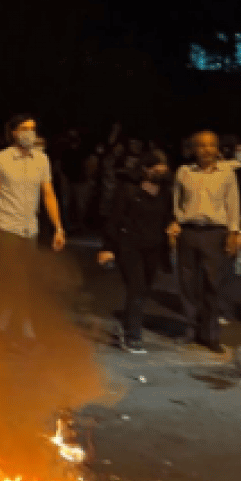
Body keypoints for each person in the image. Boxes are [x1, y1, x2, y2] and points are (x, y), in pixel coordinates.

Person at [0, 113, 66, 344]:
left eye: (33, 128)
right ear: (14, 132)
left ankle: (6, 317)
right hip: (6, 226)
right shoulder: (0, 160)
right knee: (15, 275)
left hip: (30, 228)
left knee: (25, 276)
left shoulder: (41, 160)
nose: (30, 132)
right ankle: (19, 322)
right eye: (25, 128)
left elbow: (48, 194)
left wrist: (58, 227)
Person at [170, 130, 241, 352]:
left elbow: (233, 204)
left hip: (215, 233)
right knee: (188, 283)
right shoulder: (184, 172)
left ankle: (211, 334)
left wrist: (234, 232)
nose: (207, 149)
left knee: (213, 284)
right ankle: (191, 329)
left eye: (211, 145)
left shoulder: (227, 173)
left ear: (218, 148)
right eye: (201, 145)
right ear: (193, 149)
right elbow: (176, 201)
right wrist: (176, 223)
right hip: (189, 232)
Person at [98, 151, 174, 353]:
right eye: (156, 166)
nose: (161, 170)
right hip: (129, 247)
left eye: (163, 165)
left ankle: (128, 326)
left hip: (154, 248)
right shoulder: (128, 190)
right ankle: (132, 336)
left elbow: (168, 216)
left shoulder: (167, 192)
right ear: (145, 169)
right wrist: (107, 247)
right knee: (136, 288)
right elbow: (115, 218)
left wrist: (173, 227)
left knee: (144, 290)